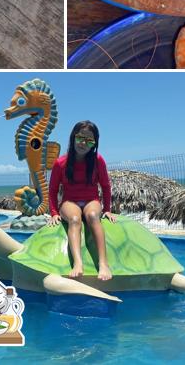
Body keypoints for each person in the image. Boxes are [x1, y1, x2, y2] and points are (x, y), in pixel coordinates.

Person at [48, 120, 115, 281]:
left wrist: (107, 209)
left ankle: (103, 263)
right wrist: (54, 212)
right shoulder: (60, 163)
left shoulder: (98, 161)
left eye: (89, 140)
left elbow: (105, 186)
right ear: (73, 137)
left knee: (92, 216)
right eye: (80, 138)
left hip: (91, 200)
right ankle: (78, 263)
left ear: (94, 143)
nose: (83, 143)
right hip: (69, 202)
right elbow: (53, 190)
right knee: (74, 219)